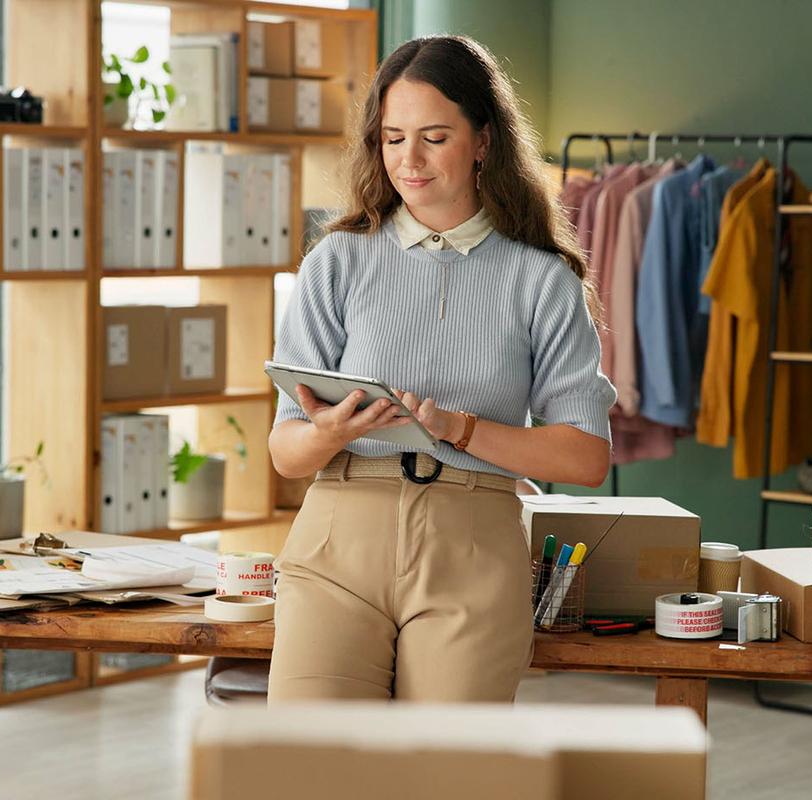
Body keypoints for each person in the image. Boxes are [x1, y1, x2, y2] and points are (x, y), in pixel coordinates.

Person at [266, 35, 616, 703]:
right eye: (393, 138)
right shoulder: (336, 260)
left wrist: (460, 428)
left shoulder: (541, 278)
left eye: (433, 137)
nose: (409, 161)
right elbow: (286, 450)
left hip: (474, 549)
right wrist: (329, 432)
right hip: (338, 536)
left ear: (483, 140)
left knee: (447, 771)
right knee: (307, 763)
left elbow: (584, 457)